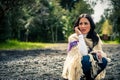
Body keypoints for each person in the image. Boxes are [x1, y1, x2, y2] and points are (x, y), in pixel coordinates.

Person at [62, 13, 110, 80]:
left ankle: (89, 78)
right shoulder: (73, 38)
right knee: (85, 59)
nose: (83, 26)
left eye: (86, 23)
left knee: (103, 60)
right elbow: (83, 54)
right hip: (75, 65)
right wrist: (80, 36)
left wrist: (99, 54)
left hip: (90, 65)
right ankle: (80, 77)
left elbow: (98, 52)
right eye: (80, 23)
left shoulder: (95, 37)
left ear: (90, 25)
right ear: (77, 26)